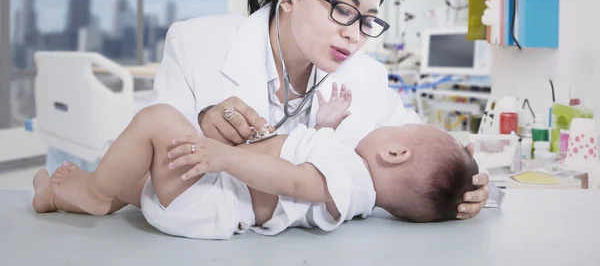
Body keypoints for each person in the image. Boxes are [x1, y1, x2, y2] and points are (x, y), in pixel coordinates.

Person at [146, 0, 491, 218]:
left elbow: (415, 148)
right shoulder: (198, 42)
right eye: (343, 9)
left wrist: (464, 186)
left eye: (367, 20)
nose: (354, 34)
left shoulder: (365, 75)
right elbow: (148, 158)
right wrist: (203, 123)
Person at [34, 89, 478, 239]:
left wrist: (226, 156)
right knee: (140, 177)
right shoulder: (351, 168)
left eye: (399, 130)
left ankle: (93, 194)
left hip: (208, 201)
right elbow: (315, 156)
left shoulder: (352, 177)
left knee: (159, 120)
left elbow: (297, 180)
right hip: (201, 194)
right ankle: (54, 197)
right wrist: (324, 124)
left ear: (395, 153)